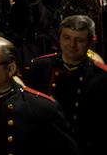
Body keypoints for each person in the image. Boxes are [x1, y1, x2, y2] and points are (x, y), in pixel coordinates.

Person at [26, 15, 107, 153]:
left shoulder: (101, 76)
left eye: (79, 40)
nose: (72, 44)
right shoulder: (40, 67)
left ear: (90, 43)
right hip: (45, 144)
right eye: (67, 38)